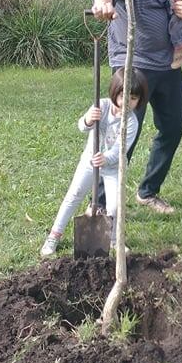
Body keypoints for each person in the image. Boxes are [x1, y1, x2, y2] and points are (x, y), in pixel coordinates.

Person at [91, 0, 182, 215]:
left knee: (173, 128)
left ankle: (148, 191)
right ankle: (99, 205)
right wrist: (103, 3)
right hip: (133, 63)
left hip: (168, 64)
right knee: (123, 133)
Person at [40, 68, 149, 257]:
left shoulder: (132, 122)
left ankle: (114, 239)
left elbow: (121, 149)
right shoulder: (102, 106)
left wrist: (107, 158)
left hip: (113, 168)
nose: (126, 103)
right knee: (74, 195)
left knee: (115, 206)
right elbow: (82, 126)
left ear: (139, 100)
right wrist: (89, 119)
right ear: (114, 92)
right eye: (123, 96)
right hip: (89, 163)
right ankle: (54, 235)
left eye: (133, 99)